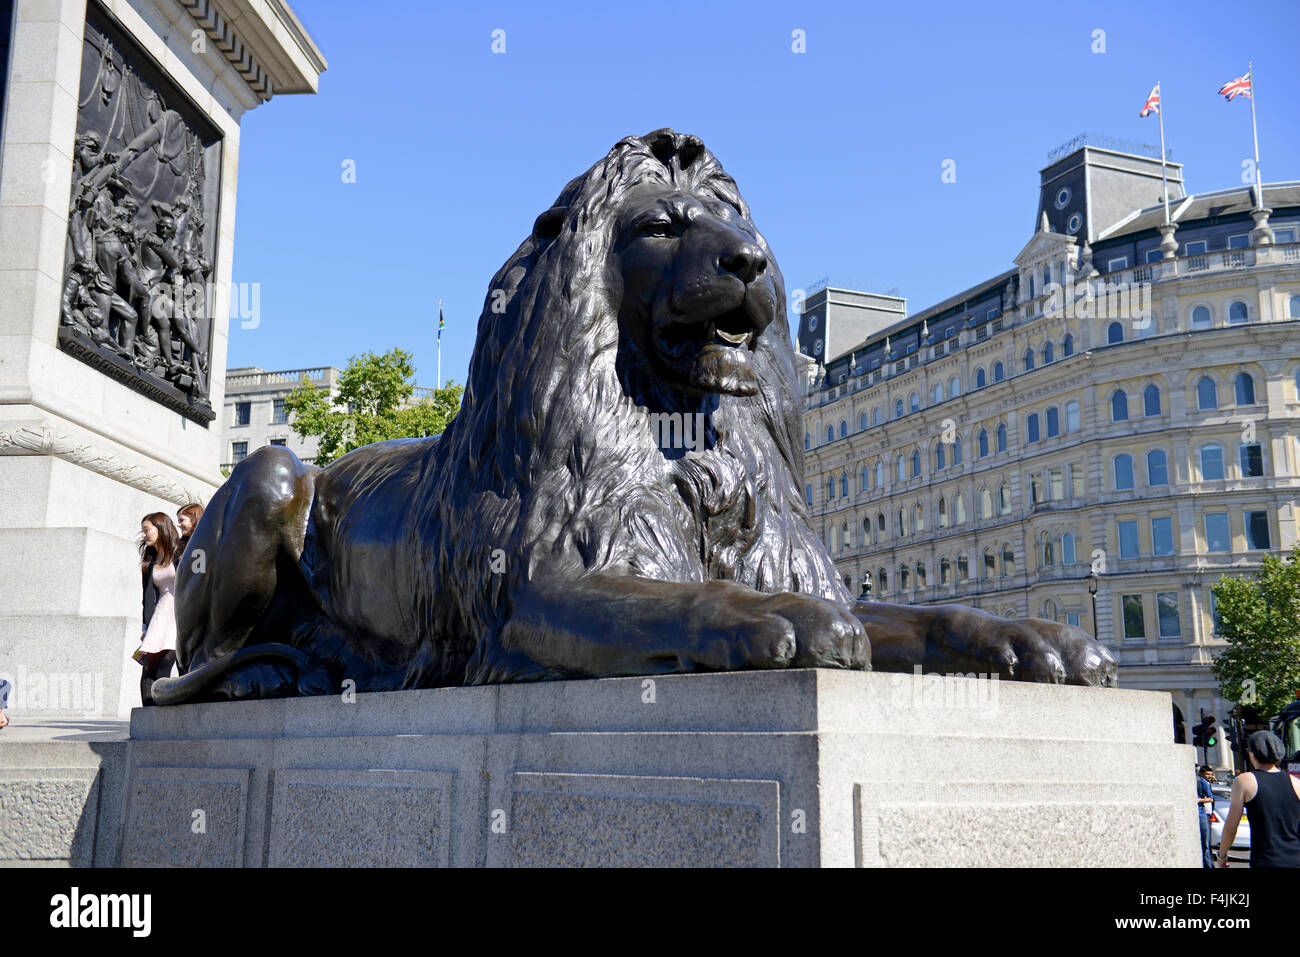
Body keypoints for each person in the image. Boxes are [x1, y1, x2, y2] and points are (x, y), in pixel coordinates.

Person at [1217, 730, 1300, 868]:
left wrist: (1222, 855)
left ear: (1252, 754)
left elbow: (1231, 827)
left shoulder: (1244, 780)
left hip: (1266, 860)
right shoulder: (1296, 782)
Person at [138, 512, 181, 706]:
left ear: (161, 527)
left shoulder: (182, 552)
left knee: (170, 660)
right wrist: (145, 627)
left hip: (180, 613)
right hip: (161, 615)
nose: (144, 534)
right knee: (149, 667)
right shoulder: (150, 560)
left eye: (147, 529)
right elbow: (146, 600)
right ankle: (148, 713)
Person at [1196, 765, 1216, 867]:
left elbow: (1211, 798)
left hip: (1203, 815)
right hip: (1198, 815)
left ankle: (1209, 865)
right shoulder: (1198, 780)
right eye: (1207, 774)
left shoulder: (1202, 782)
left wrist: (1199, 800)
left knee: (1206, 843)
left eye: (1210, 774)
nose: (1209, 776)